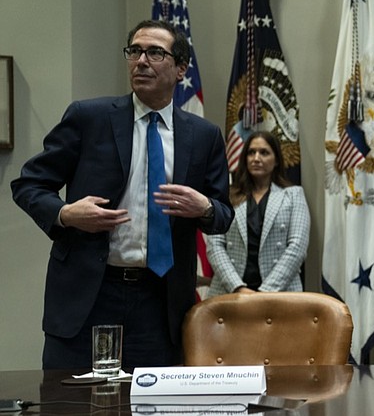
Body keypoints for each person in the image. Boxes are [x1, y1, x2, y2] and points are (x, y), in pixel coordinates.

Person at [11, 19, 233, 369]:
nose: (141, 61)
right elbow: (28, 184)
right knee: (71, 414)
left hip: (159, 304)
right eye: (135, 51)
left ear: (180, 68)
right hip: (89, 296)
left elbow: (222, 214)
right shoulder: (89, 117)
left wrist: (203, 206)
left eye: (155, 53)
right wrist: (66, 214)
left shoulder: (203, 136)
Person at [206, 131, 310, 296]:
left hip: (280, 293)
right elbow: (214, 246)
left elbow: (297, 248)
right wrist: (239, 288)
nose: (256, 158)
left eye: (264, 152)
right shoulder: (226, 195)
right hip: (230, 292)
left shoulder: (293, 195)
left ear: (276, 160)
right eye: (251, 152)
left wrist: (263, 293)